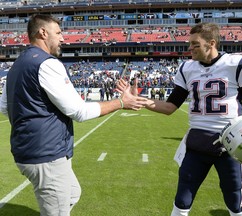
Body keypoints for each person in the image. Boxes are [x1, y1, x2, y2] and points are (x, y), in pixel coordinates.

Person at [0, 14, 146, 216]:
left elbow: (5, 108)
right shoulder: (48, 64)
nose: (62, 38)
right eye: (58, 33)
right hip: (46, 154)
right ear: (43, 33)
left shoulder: (16, 65)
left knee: (72, 193)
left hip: (28, 151)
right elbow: (79, 111)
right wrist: (121, 102)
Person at [118, 22, 242, 216]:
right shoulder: (187, 68)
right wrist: (141, 100)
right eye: (190, 44)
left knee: (236, 202)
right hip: (197, 143)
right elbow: (170, 107)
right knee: (182, 201)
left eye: (195, 44)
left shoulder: (235, 64)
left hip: (229, 144)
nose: (190, 48)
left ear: (211, 43)